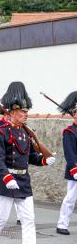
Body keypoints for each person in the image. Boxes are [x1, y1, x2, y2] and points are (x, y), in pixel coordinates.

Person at [0, 82, 55, 244]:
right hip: (7, 180)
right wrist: (7, 177)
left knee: (29, 220)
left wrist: (44, 160)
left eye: (27, 111)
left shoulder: (24, 132)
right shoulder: (0, 130)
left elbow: (29, 157)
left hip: (23, 180)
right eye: (23, 111)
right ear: (13, 112)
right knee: (0, 218)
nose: (26, 114)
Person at [56, 91, 77, 235]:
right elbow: (70, 154)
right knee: (70, 199)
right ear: (74, 114)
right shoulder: (69, 131)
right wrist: (75, 170)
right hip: (75, 170)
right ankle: (62, 224)